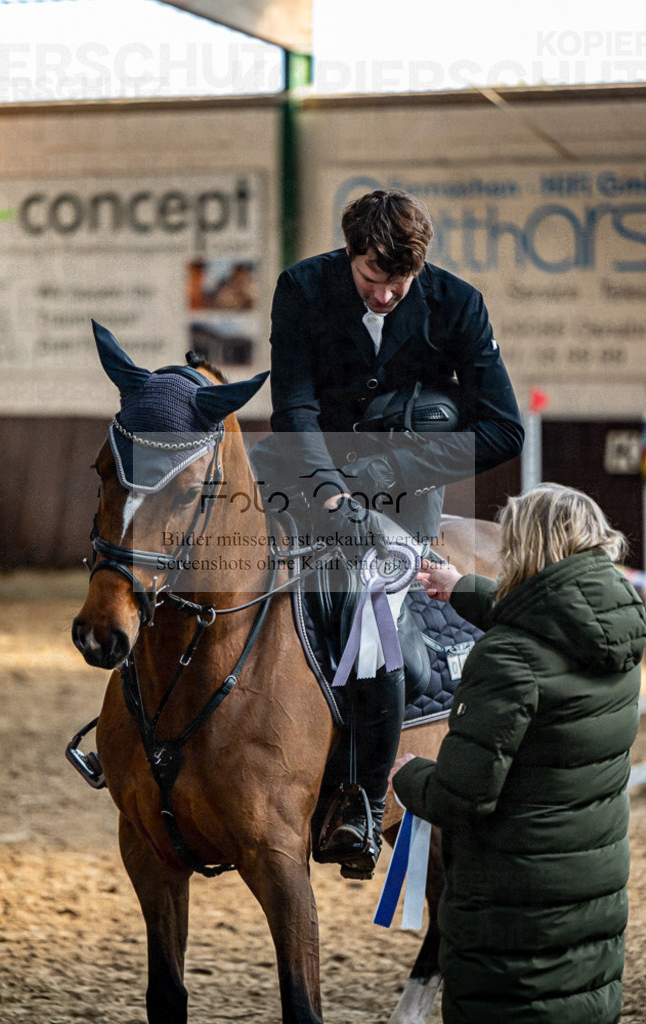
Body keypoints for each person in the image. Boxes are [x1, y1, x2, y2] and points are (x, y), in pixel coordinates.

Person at [267, 189, 524, 876]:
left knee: (368, 605)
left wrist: (385, 467)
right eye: (372, 279)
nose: (384, 296)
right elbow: (291, 400)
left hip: (404, 493)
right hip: (306, 468)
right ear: (348, 255)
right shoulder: (300, 288)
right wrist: (325, 486)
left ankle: (360, 794)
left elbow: (502, 427)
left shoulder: (458, 304)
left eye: (399, 283)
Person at [391, 483, 646, 1024]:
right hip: (589, 898)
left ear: (527, 546)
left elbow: (462, 796)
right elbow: (548, 621)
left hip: (511, 910)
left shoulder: (507, 657)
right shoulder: (616, 633)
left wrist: (408, 776)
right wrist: (462, 589)